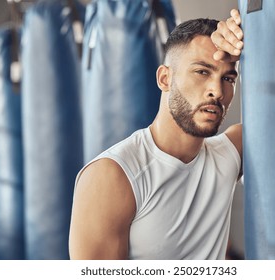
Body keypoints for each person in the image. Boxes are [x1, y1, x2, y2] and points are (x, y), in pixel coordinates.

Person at [69, 9, 245, 260]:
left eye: (228, 78)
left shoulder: (231, 153)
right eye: (202, 72)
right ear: (165, 79)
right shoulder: (112, 176)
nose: (216, 91)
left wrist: (248, 29)